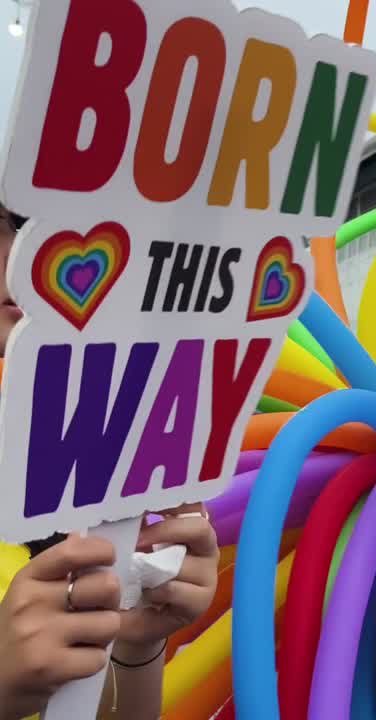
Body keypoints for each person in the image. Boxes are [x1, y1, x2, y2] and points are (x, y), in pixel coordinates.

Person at [0, 203, 220, 719]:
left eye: (52, 222)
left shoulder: (79, 451)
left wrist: (136, 639)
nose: (27, 252)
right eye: (7, 222)